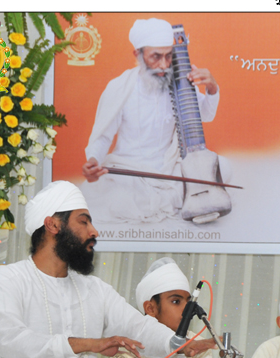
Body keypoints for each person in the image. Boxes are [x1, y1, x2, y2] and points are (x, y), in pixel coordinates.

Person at [0, 181, 213, 358]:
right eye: (84, 222)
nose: (94, 231)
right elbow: (11, 341)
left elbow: (138, 326)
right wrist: (89, 344)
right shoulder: (7, 279)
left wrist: (179, 343)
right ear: (53, 225)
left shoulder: (94, 289)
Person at [80, 17, 221, 223]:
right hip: (129, 171)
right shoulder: (119, 87)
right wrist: (93, 160)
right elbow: (103, 136)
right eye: (156, 57)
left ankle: (175, 196)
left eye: (168, 56)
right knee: (117, 197)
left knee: (223, 167)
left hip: (170, 169)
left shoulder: (179, 83)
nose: (164, 65)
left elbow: (206, 115)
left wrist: (212, 88)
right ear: (137, 54)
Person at [135, 257, 191, 333]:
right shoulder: (132, 340)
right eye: (176, 301)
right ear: (150, 309)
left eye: (189, 303)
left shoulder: (197, 340)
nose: (187, 310)